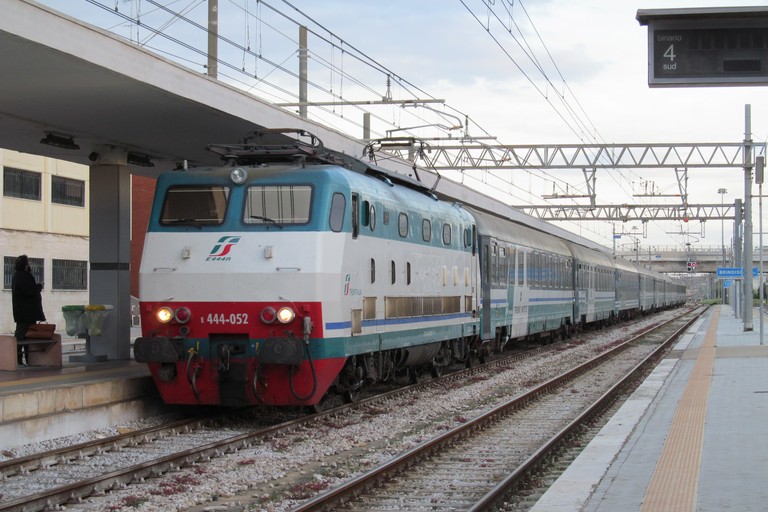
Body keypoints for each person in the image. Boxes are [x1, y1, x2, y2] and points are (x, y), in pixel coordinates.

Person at [11, 254, 45, 366]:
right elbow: (29, 292)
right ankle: (19, 360)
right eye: (28, 262)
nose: (29, 264)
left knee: (27, 337)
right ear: (25, 265)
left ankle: (27, 360)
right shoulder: (22, 276)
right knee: (21, 336)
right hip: (25, 313)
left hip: (26, 313)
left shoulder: (19, 276)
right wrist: (39, 286)